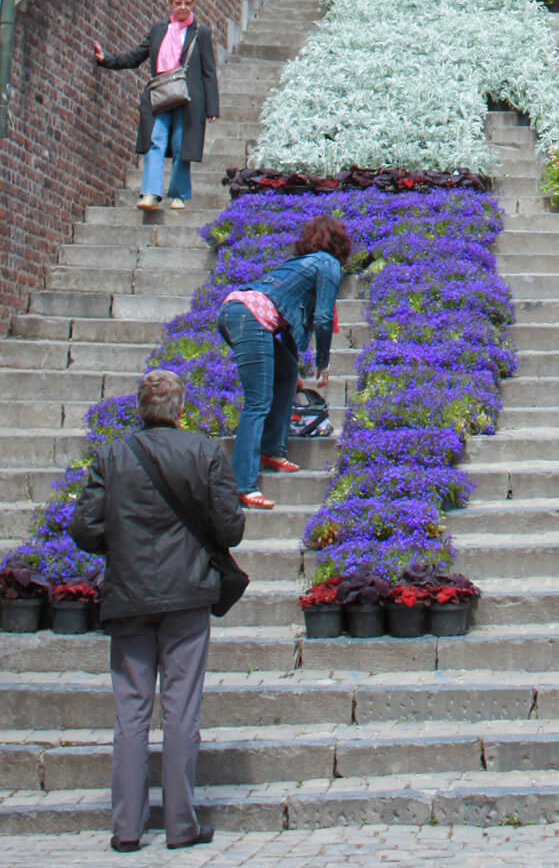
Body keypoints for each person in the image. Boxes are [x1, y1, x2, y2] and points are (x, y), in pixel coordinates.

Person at [71, 368, 244, 852]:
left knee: (131, 711)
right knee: (180, 709)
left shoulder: (112, 455)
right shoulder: (204, 451)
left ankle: (126, 828)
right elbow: (229, 530)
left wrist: (122, 542)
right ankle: (180, 823)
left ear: (140, 411)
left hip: (129, 594)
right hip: (187, 592)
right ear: (180, 410)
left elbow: (84, 529)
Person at [217, 216, 350, 509]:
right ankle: (243, 484)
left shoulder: (298, 268)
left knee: (287, 371)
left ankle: (272, 450)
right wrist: (323, 364)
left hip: (236, 312)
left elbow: (288, 324)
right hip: (250, 318)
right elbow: (323, 318)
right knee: (257, 402)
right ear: (340, 244)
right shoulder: (328, 264)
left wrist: (295, 368)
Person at [94, 0, 219, 213]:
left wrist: (212, 107)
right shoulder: (158, 30)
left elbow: (208, 71)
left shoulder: (200, 33)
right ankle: (150, 193)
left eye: (188, 3)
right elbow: (137, 56)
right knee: (155, 140)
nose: (183, 8)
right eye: (178, 3)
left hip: (188, 98)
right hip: (159, 94)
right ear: (170, 3)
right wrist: (107, 60)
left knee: (182, 144)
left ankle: (179, 194)